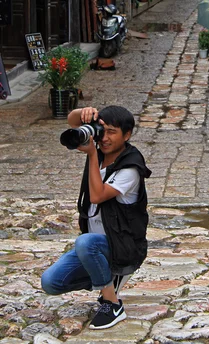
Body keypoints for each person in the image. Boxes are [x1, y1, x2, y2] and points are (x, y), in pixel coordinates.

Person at [41, 105, 151, 330]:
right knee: (51, 282)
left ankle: (112, 303)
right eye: (103, 131)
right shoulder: (100, 148)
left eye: (112, 132)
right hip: (96, 246)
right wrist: (82, 113)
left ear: (127, 135)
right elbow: (71, 121)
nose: (105, 138)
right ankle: (109, 277)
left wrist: (92, 154)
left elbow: (97, 196)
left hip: (122, 245)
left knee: (85, 242)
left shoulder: (130, 167)